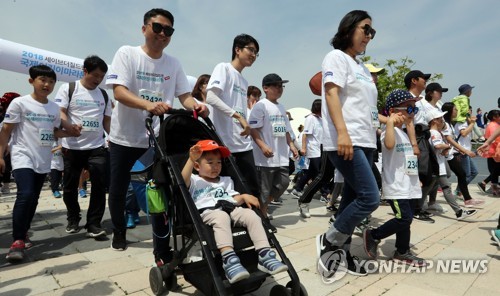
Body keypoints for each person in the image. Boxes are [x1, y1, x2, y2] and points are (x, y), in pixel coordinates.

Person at [105, 8, 208, 255]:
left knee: (159, 188)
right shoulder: (127, 54)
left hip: (156, 140)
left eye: (168, 30)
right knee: (118, 188)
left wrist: (198, 106)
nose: (162, 34)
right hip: (124, 138)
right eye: (157, 27)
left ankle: (162, 239)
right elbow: (118, 91)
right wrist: (149, 105)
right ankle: (119, 231)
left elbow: (184, 96)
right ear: (144, 29)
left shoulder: (173, 63)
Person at [315, 10, 379, 278]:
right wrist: (341, 133)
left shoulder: (362, 67)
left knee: (350, 202)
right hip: (346, 140)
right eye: (365, 29)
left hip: (365, 140)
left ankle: (342, 254)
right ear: (349, 28)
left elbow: (363, 106)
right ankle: (329, 240)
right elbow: (331, 94)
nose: (368, 36)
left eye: (372, 32)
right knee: (370, 198)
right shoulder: (336, 57)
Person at [0, 65, 79, 262]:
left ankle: (24, 231)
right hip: (22, 155)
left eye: (51, 82)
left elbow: (53, 133)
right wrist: (1, 156)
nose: (47, 85)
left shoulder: (53, 108)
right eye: (42, 80)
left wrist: (69, 132)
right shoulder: (19, 103)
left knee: (33, 198)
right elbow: (6, 131)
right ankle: (17, 241)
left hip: (43, 157)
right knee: (25, 194)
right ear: (31, 81)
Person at [181, 140, 287, 284]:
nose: (216, 166)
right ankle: (229, 260)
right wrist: (190, 159)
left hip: (230, 208)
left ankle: (265, 255)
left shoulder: (225, 180)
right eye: (210, 162)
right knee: (221, 217)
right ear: (197, 166)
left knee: (251, 215)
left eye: (219, 162)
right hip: (209, 212)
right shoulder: (195, 180)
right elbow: (181, 181)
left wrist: (243, 196)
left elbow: (232, 199)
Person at [362, 89, 426, 266]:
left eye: (415, 109)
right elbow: (388, 145)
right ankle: (374, 235)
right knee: (403, 218)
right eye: (410, 109)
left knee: (407, 221)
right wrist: (389, 123)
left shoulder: (405, 133)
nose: (413, 113)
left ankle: (402, 251)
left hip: (409, 185)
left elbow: (409, 160)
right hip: (396, 186)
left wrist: (416, 179)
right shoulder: (387, 131)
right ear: (394, 111)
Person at [54, 55, 111, 238]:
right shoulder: (69, 88)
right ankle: (73, 217)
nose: (98, 79)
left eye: (101, 77)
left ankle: (94, 223)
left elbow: (107, 121)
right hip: (72, 147)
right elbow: (60, 112)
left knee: (99, 185)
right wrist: (68, 126)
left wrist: (114, 139)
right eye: (95, 75)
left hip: (97, 147)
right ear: (84, 71)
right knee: (70, 187)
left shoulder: (103, 94)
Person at [206, 34, 260, 198]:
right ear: (237, 49)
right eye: (250, 49)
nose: (253, 55)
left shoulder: (244, 81)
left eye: (256, 53)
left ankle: (258, 221)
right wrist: (237, 116)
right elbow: (211, 97)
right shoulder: (224, 68)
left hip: (243, 142)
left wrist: (244, 122)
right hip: (226, 143)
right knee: (236, 192)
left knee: (253, 188)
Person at [249, 73, 298, 220]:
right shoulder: (260, 106)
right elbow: (252, 129)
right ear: (266, 88)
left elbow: (286, 130)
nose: (280, 89)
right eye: (276, 86)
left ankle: (262, 207)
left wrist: (292, 145)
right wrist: (262, 145)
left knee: (283, 183)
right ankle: (262, 216)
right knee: (264, 189)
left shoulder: (282, 107)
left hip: (281, 156)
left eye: (281, 86)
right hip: (265, 158)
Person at [426, 108, 478, 220]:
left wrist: (445, 150)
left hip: (439, 165)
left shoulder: (436, 132)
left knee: (429, 187)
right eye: (440, 119)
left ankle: (418, 207)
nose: (442, 121)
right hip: (437, 166)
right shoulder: (434, 133)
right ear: (434, 121)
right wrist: (446, 146)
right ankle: (459, 212)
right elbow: (437, 146)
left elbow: (438, 149)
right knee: (443, 187)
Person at [441, 102, 485, 206]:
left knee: (462, 174)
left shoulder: (450, 124)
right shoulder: (445, 124)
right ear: (449, 111)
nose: (456, 111)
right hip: (445, 155)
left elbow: (452, 141)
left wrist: (459, 149)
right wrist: (465, 151)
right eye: (455, 109)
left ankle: (467, 199)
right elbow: (449, 139)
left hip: (450, 154)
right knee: (434, 180)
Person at [293, 99, 323, 218]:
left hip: (321, 149)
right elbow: (305, 134)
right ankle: (304, 194)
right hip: (313, 149)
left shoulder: (321, 119)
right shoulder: (310, 118)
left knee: (312, 171)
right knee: (318, 172)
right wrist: (304, 148)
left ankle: (299, 187)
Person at [454, 104, 478, 197]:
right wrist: (472, 123)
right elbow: (463, 133)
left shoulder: (467, 122)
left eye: (470, 110)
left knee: (474, 172)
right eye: (468, 110)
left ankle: (458, 190)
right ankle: (458, 191)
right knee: (466, 174)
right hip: (462, 151)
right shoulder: (461, 122)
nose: (469, 112)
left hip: (466, 151)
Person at [0, 92, 20, 195]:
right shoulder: (2, 113)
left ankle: (6, 185)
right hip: (3, 141)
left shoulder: (17, 112)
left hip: (8, 143)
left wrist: (8, 143)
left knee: (6, 165)